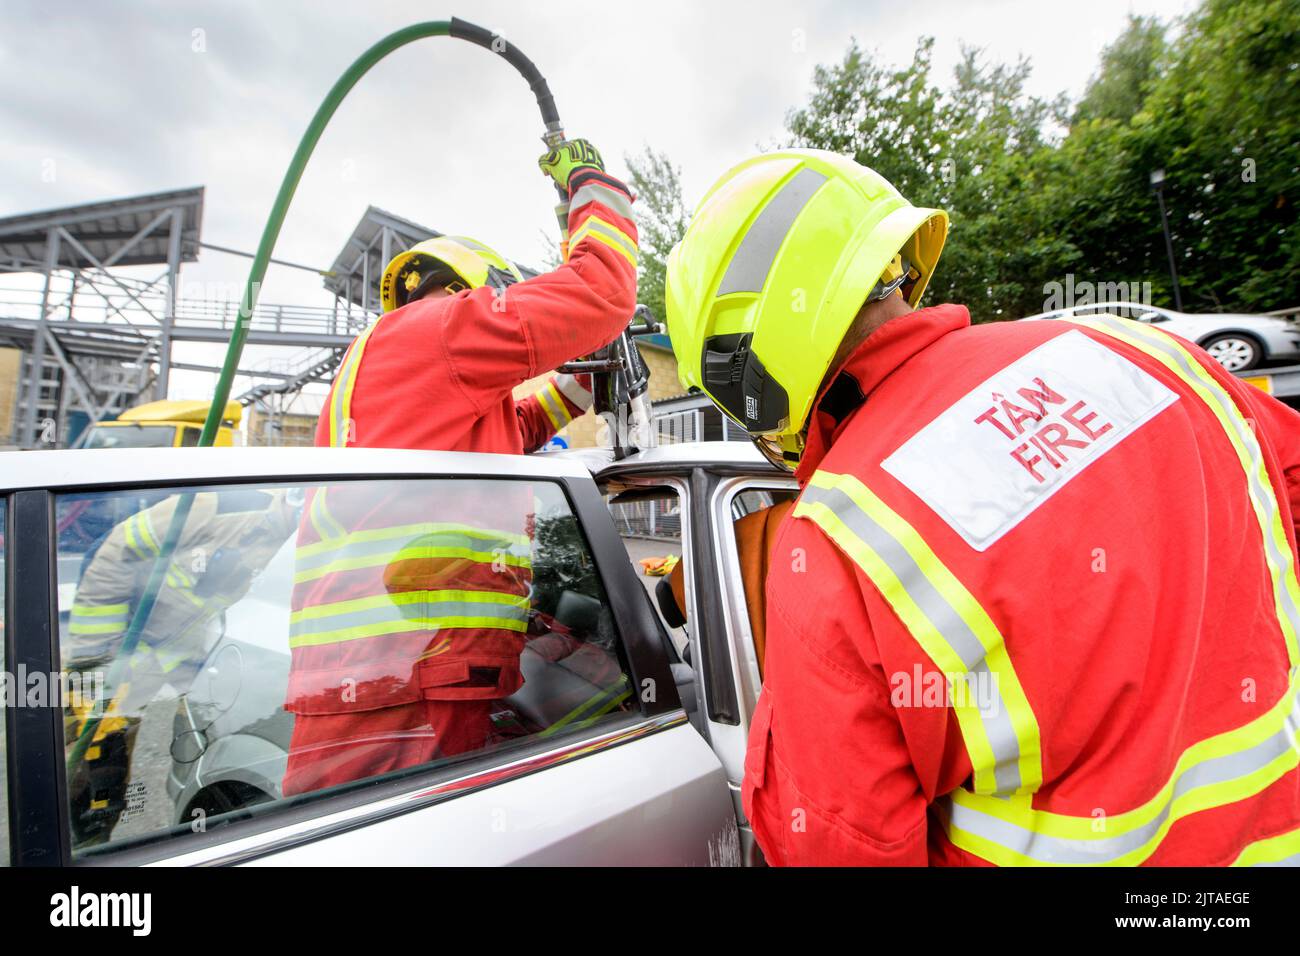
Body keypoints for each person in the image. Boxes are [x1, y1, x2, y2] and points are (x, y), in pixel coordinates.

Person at [665, 148, 1300, 866]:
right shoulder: (1146, 353)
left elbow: (843, 846)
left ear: (744, 365)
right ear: (892, 258)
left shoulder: (839, 541)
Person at [282, 139, 638, 796]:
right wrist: (591, 186)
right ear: (470, 293)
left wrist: (581, 386)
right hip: (411, 674)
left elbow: (511, 431)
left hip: (375, 674)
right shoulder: (442, 329)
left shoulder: (389, 365)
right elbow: (601, 291)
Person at [64, 489, 296, 845]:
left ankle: (97, 830)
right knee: (96, 739)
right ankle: (74, 840)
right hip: (118, 618)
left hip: (171, 638)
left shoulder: (287, 543)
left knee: (127, 742)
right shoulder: (217, 509)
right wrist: (97, 659)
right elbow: (116, 552)